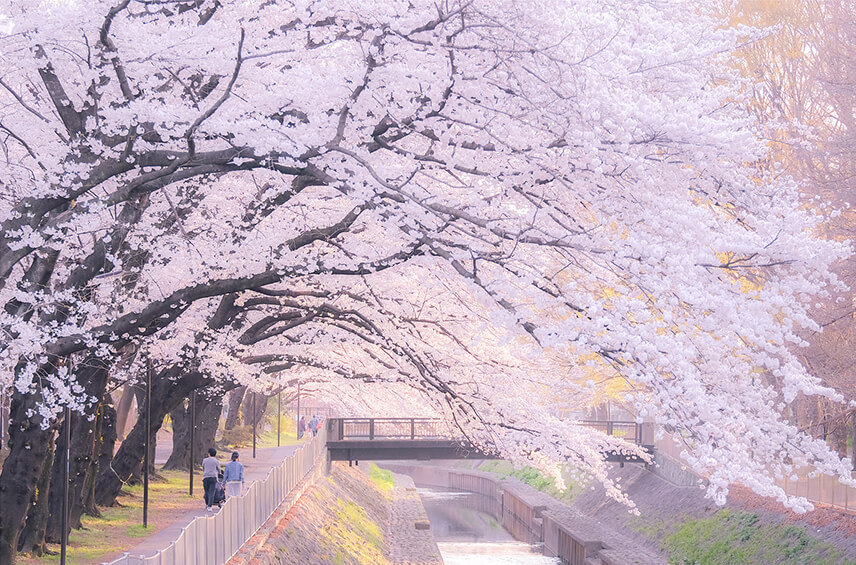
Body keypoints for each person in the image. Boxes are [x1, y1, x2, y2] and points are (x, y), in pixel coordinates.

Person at [202, 447, 220, 511]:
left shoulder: (204, 460)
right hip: (213, 477)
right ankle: (210, 506)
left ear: (209, 454)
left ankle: (207, 504)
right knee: (212, 492)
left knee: (206, 491)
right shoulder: (216, 461)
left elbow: (203, 468)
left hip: (206, 477)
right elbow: (218, 469)